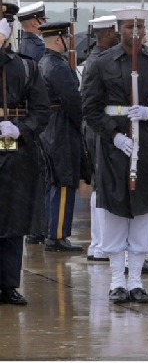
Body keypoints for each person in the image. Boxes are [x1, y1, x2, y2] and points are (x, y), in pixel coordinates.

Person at [81, 6, 148, 304]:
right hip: (114, 150)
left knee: (142, 215)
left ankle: (135, 280)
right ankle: (116, 281)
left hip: (147, 148)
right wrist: (114, 135)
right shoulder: (102, 64)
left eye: (140, 28)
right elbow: (90, 109)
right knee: (114, 215)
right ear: (118, 29)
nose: (136, 34)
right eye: (129, 28)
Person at [0, 2, 52, 304]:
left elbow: (42, 110)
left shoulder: (27, 66)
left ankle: (8, 283)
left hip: (14, 147)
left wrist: (20, 129)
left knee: (12, 220)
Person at [38, 22, 85, 253]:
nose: (70, 41)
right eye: (67, 37)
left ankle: (51, 230)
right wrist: (81, 125)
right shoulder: (58, 66)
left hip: (49, 127)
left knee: (53, 182)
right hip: (62, 127)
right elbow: (73, 102)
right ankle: (57, 235)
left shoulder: (43, 62)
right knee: (64, 182)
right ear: (59, 40)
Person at [83, 14, 119, 263]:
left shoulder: (96, 59)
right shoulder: (100, 62)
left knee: (100, 183)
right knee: (103, 183)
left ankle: (100, 244)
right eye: (117, 31)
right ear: (107, 33)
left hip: (95, 125)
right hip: (100, 127)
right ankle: (102, 244)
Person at [17, 1, 47, 246]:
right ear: (37, 22)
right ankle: (37, 229)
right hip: (27, 124)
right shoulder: (34, 48)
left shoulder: (27, 46)